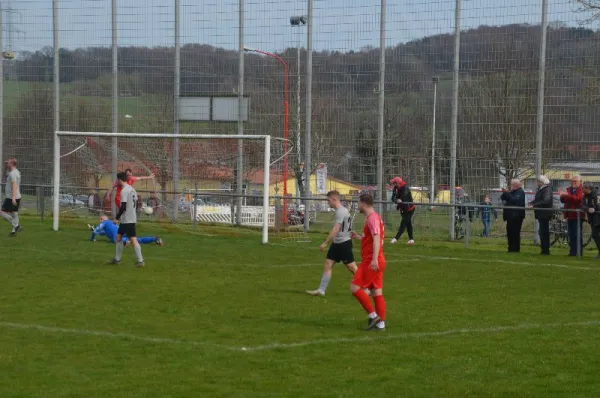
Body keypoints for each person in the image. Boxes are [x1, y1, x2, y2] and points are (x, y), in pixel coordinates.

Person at [306, 191, 358, 297]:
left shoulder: (341, 211)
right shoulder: (340, 210)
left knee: (352, 267)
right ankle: (321, 290)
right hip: (337, 243)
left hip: (344, 243)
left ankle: (368, 287)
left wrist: (325, 243)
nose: (328, 202)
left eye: (328, 200)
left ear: (334, 199)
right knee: (328, 264)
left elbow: (335, 229)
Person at [350, 193, 387, 331]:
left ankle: (373, 315)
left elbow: (377, 238)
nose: (357, 205)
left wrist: (373, 260)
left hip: (372, 261)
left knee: (355, 288)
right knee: (377, 292)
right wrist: (359, 237)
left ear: (364, 204)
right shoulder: (373, 217)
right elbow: (371, 238)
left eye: (358, 203)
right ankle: (381, 324)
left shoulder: (372, 219)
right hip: (378, 259)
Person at [109, 172, 145, 267]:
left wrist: (116, 218)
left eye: (117, 180)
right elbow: (136, 204)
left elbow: (123, 206)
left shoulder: (124, 191)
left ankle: (140, 261)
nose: (117, 182)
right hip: (129, 217)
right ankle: (117, 259)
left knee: (133, 239)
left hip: (127, 219)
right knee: (119, 237)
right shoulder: (132, 189)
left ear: (120, 180)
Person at [88, 215, 164, 246]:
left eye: (101, 218)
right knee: (138, 240)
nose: (100, 220)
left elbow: (96, 232)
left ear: (103, 219)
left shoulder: (104, 223)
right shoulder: (112, 223)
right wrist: (94, 230)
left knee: (117, 240)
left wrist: (92, 238)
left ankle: (126, 242)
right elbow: (102, 233)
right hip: (124, 233)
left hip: (118, 237)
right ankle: (155, 239)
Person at [560, 175, 585, 257]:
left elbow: (578, 199)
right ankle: (572, 252)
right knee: (571, 234)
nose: (573, 183)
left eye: (575, 181)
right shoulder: (569, 189)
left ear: (580, 182)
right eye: (572, 181)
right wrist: (562, 196)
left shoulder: (581, 190)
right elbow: (565, 201)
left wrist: (566, 195)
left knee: (577, 234)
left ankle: (578, 252)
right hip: (569, 214)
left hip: (577, 215)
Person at [529, 175, 553, 255]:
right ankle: (544, 249)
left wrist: (534, 205)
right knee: (542, 231)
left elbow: (546, 200)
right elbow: (539, 200)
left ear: (542, 182)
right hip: (541, 213)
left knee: (544, 232)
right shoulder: (542, 189)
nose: (537, 183)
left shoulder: (547, 189)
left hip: (544, 213)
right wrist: (532, 203)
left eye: (538, 181)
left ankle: (545, 250)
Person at [501, 179, 526, 253]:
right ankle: (511, 248)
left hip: (516, 216)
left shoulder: (520, 192)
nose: (510, 186)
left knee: (515, 233)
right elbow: (503, 198)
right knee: (510, 232)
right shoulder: (512, 191)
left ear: (516, 185)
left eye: (512, 184)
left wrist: (507, 193)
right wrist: (505, 193)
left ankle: (515, 248)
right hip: (510, 216)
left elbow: (514, 200)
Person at [389, 176, 415, 245]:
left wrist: (399, 199)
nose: (393, 185)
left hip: (409, 209)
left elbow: (403, 198)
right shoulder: (395, 188)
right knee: (408, 224)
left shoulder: (405, 188)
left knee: (403, 223)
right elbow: (393, 198)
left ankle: (395, 239)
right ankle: (411, 239)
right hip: (402, 209)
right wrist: (397, 200)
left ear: (397, 183)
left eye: (394, 183)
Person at [0, 158, 22, 236]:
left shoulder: (13, 173)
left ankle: (16, 226)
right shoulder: (16, 172)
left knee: (2, 212)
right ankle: (14, 231)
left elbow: (14, 185)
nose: (7, 163)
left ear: (11, 164)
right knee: (14, 214)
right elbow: (6, 175)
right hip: (17, 196)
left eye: (8, 162)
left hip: (11, 197)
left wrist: (13, 197)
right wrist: (6, 166)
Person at [582, 182, 600, 259]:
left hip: (597, 217)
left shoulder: (596, 194)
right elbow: (582, 205)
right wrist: (587, 209)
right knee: (594, 235)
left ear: (588, 189)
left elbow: (596, 206)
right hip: (592, 218)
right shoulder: (585, 195)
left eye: (584, 188)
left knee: (595, 235)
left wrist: (593, 208)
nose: (583, 190)